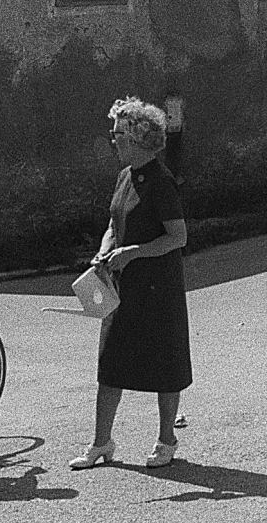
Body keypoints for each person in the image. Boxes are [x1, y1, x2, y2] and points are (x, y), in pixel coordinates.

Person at [71, 97, 191, 471]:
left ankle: (166, 439)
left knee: (164, 364)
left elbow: (178, 237)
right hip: (123, 283)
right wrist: (105, 251)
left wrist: (132, 252)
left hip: (158, 286)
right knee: (111, 363)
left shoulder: (161, 182)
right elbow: (113, 223)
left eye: (118, 132)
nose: (112, 138)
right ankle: (101, 443)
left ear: (139, 138)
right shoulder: (126, 176)